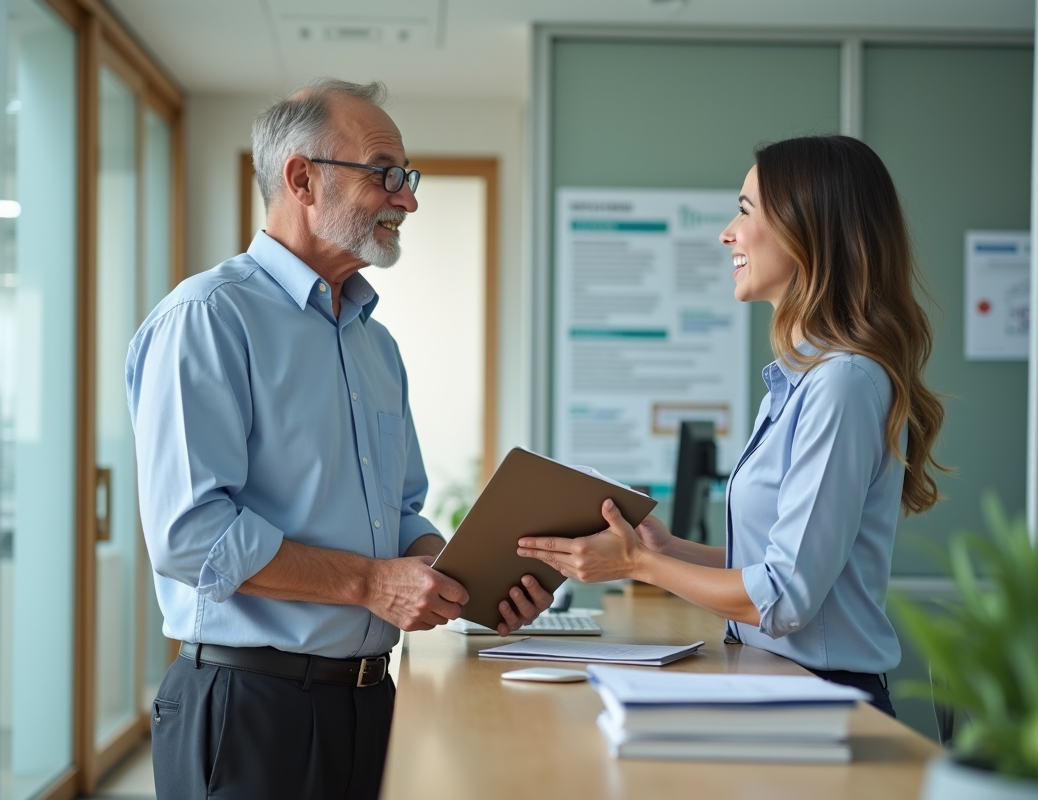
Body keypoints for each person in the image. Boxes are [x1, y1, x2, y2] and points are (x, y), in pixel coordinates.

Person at [126, 78, 553, 800]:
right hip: (249, 707)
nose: (408, 199)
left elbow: (405, 514)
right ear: (302, 178)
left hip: (368, 703)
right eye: (386, 175)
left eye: (407, 179)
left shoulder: (374, 344)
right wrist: (371, 584)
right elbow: (190, 535)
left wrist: (469, 578)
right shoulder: (206, 319)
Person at [517, 136, 946, 715]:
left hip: (823, 703)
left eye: (745, 212)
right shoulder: (797, 382)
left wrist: (641, 565)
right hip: (781, 685)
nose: (727, 234)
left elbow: (785, 599)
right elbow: (778, 567)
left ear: (807, 230)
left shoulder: (841, 384)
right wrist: (670, 550)